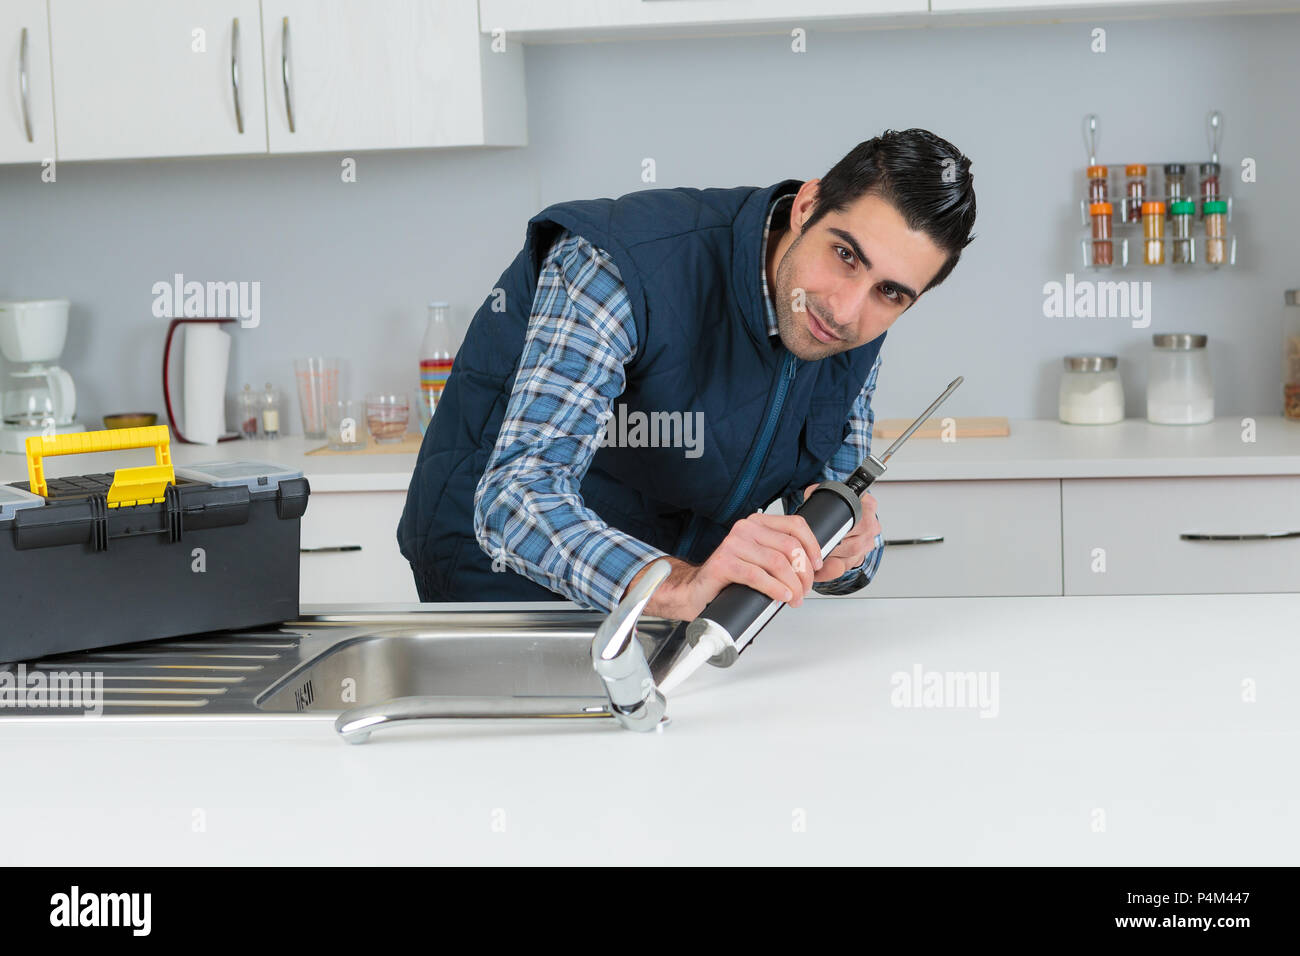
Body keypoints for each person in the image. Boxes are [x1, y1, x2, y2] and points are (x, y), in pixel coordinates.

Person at [398, 128, 976, 621]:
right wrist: (675, 585)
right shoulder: (617, 264)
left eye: (892, 292)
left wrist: (842, 551)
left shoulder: (847, 326)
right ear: (806, 208)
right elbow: (514, 499)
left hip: (680, 607)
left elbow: (837, 508)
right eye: (846, 255)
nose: (847, 310)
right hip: (507, 600)